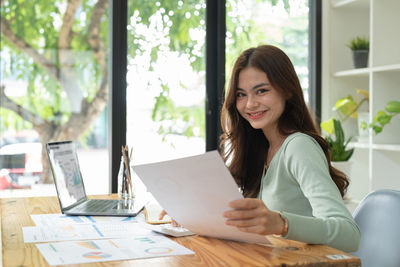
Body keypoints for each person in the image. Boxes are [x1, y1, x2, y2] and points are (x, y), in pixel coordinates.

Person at [219, 44, 360, 252]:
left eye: (261, 91)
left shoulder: (298, 147)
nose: (250, 104)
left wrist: (281, 223)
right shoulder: (258, 150)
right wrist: (189, 216)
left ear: (287, 90)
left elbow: (349, 235)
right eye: (241, 94)